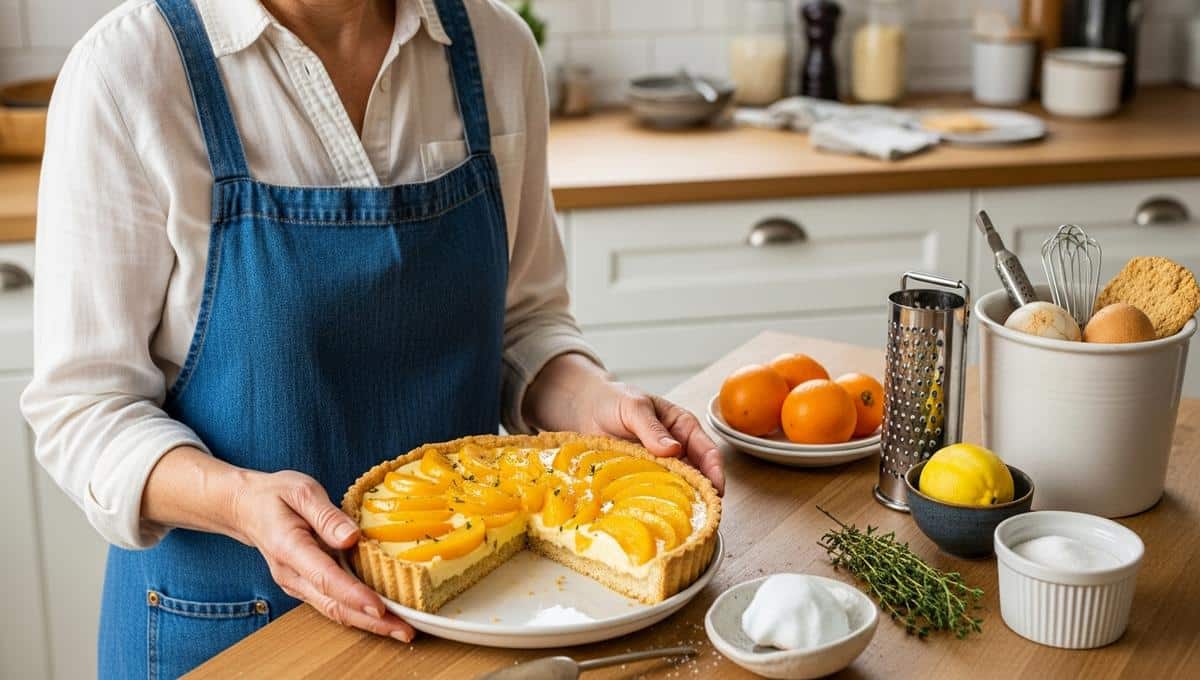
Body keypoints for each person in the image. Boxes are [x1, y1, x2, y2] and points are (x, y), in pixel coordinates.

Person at [21, 0, 725, 676]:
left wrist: (593, 399)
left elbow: (524, 323)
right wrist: (239, 502)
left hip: (471, 618)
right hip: (228, 629)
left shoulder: (496, 50)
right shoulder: (129, 72)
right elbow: (84, 409)